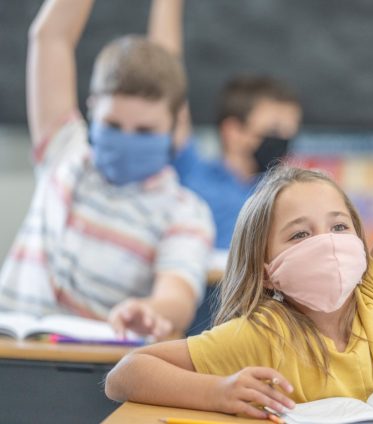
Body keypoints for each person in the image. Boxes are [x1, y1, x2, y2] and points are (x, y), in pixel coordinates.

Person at [105, 0, 373, 418]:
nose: (328, 246)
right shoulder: (264, 334)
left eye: (338, 227)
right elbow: (125, 373)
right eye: (300, 235)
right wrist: (217, 392)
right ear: (266, 267)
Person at [0, 0, 215, 340]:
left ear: (175, 126)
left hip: (85, 365)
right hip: (7, 346)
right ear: (92, 110)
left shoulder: (185, 212)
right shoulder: (64, 150)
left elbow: (178, 294)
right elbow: (50, 37)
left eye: (145, 131)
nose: (127, 138)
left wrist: (152, 311)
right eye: (113, 125)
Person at [148, 0, 302, 250]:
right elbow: (164, 78)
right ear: (233, 131)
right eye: (274, 129)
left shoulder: (283, 197)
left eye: (290, 131)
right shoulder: (190, 172)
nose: (284, 140)